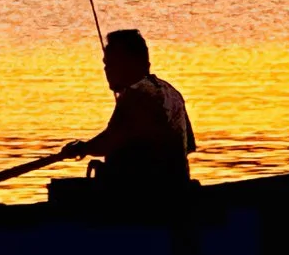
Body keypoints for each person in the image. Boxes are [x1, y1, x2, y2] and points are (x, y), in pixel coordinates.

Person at [63, 28, 196, 197]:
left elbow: (108, 142)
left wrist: (83, 148)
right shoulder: (171, 92)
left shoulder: (139, 95)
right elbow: (188, 147)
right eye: (106, 64)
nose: (107, 70)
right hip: (177, 188)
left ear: (132, 62)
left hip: (146, 198)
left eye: (112, 63)